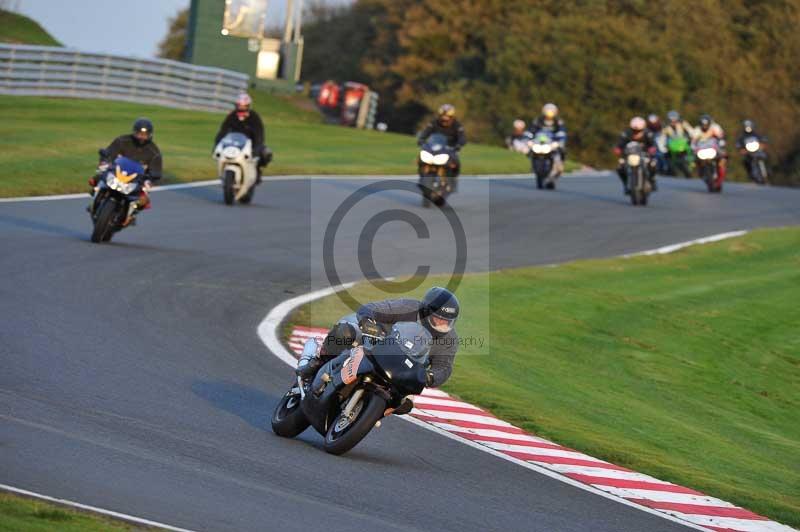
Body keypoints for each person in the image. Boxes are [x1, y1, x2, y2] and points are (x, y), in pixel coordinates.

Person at [297, 287, 461, 415]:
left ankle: (369, 412)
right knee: (345, 332)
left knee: (406, 404)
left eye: (447, 322)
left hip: (403, 370)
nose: (442, 325)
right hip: (376, 343)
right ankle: (318, 362)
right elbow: (373, 308)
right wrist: (369, 322)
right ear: (426, 311)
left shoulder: (449, 339)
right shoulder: (408, 307)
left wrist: (431, 376)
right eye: (438, 319)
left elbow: (444, 367)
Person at [88, 118, 162, 225]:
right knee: (96, 178)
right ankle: (95, 198)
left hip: (136, 180)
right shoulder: (122, 141)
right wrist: (105, 160)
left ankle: (131, 215)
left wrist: (151, 178)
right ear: (134, 132)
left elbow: (156, 170)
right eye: (139, 133)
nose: (141, 137)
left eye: (145, 135)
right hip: (116, 173)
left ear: (150, 135)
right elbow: (109, 153)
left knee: (144, 201)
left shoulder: (154, 152)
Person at [214, 93, 273, 183]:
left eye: (244, 106)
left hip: (251, 143)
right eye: (239, 106)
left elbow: (259, 133)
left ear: (248, 106)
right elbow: (223, 130)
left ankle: (258, 170)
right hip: (234, 143)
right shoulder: (232, 116)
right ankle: (224, 172)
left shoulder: (254, 116)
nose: (241, 108)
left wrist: (257, 148)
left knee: (266, 153)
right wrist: (217, 143)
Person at [417, 104, 467, 176]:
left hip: (451, 148)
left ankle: (452, 177)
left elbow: (462, 137)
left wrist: (459, 144)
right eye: (443, 117)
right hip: (434, 148)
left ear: (451, 117)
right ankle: (423, 173)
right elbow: (426, 132)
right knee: (423, 156)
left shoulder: (457, 125)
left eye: (447, 118)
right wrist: (421, 139)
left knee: (455, 161)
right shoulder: (434, 123)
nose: (445, 120)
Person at [614, 116, 657, 193]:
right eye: (634, 130)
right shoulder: (626, 133)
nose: (636, 132)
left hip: (644, 155)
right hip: (629, 155)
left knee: (653, 164)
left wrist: (652, 148)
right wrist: (618, 148)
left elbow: (653, 143)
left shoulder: (648, 133)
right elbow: (620, 143)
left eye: (639, 130)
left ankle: (652, 181)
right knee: (620, 167)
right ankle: (626, 183)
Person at [528, 103, 567, 176]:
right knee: (530, 150)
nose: (549, 114)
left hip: (552, 142)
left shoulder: (558, 122)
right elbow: (531, 130)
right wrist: (529, 139)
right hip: (539, 142)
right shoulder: (538, 120)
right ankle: (533, 165)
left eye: (551, 112)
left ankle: (560, 165)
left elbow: (562, 133)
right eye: (547, 112)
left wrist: (559, 141)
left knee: (561, 150)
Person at [692, 114, 727, 182]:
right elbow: (693, 141)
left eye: (706, 125)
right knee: (695, 159)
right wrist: (693, 147)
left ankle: (721, 172)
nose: (704, 126)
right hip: (702, 150)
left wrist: (722, 142)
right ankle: (700, 171)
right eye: (703, 125)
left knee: (723, 156)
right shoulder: (697, 130)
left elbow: (721, 137)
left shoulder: (715, 128)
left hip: (714, 148)